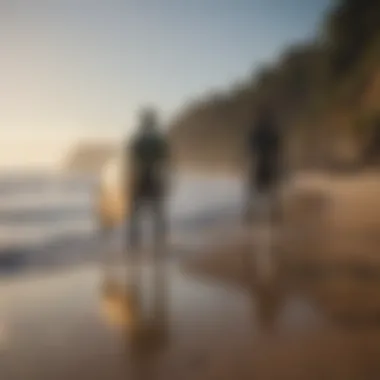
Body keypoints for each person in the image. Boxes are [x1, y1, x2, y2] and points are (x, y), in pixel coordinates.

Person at [125, 107, 170, 253]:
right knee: (157, 212)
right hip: (154, 177)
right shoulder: (158, 140)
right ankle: (160, 242)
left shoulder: (138, 140)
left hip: (140, 177)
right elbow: (165, 160)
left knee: (135, 212)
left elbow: (130, 160)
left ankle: (134, 243)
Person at [244, 104, 282, 223]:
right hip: (268, 164)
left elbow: (250, 148)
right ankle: (274, 216)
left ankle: (251, 217)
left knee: (256, 192)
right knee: (270, 192)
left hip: (260, 164)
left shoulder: (258, 131)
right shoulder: (271, 131)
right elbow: (278, 149)